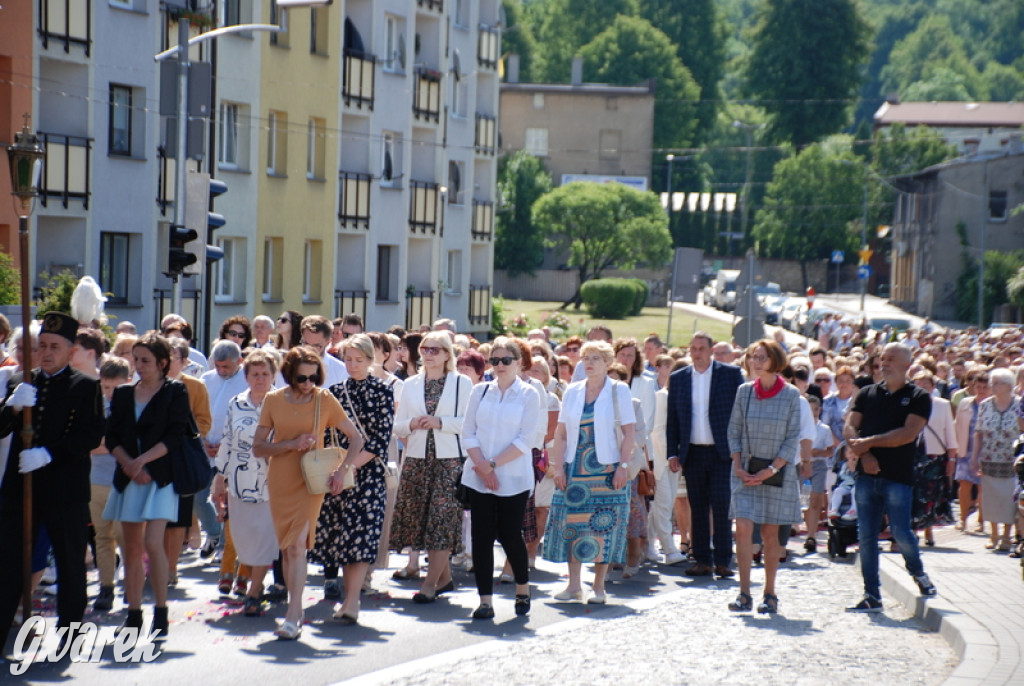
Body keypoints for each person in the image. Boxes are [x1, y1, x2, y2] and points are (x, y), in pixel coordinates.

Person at [0, 312, 105, 648]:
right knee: (10, 562)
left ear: (71, 350)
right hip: (22, 489)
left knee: (70, 562)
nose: (46, 353)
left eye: (54, 347)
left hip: (64, 490)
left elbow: (89, 435)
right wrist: (12, 408)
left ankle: (70, 636)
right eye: (41, 346)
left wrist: (49, 454)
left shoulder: (85, 387)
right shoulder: (21, 382)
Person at [253, 346, 365, 640]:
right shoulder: (273, 400)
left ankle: (293, 614)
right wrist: (291, 443)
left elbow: (356, 439)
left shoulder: (324, 399)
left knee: (297, 547)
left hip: (310, 482)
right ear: (290, 375)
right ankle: (296, 609)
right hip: (281, 479)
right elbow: (259, 447)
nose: (308, 384)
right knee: (288, 549)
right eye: (302, 378)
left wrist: (341, 470)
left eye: (313, 377)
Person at [102, 332, 190, 640]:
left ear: (163, 363)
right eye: (136, 359)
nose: (138, 365)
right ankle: (135, 613)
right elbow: (111, 436)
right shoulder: (125, 393)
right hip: (129, 477)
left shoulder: (175, 391)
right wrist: (129, 463)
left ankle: (162, 612)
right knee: (132, 548)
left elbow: (175, 435)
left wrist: (142, 463)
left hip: (159, 476)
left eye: (145, 360)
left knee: (154, 542)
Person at [844, 343, 936, 613]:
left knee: (901, 532)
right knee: (867, 536)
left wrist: (867, 443)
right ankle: (872, 594)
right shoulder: (867, 394)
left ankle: (917, 572)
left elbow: (907, 434)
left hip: (898, 476)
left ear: (907, 365)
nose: (884, 363)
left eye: (891, 359)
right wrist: (865, 455)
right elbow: (850, 426)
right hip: (866, 476)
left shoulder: (919, 396)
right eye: (882, 359)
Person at [310, 334, 394, 623]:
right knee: (341, 539)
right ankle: (348, 599)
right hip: (337, 475)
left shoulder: (382, 391)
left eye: (359, 360)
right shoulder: (333, 391)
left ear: (371, 360)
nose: (353, 364)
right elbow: (325, 434)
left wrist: (350, 467)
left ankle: (352, 600)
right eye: (348, 359)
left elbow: (379, 441)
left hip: (366, 475)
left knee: (360, 539)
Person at [543, 341, 634, 604]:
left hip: (607, 470)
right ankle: (573, 586)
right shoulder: (572, 391)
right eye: (586, 358)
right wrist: (558, 467)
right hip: (574, 468)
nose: (590, 363)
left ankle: (599, 587)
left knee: (602, 528)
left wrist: (623, 467)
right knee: (572, 526)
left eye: (596, 358)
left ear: (608, 363)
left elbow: (629, 432)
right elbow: (560, 434)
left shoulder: (619, 390)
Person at [460, 337, 540, 619]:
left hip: (514, 478)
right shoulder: (480, 391)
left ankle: (522, 587)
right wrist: (482, 467)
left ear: (519, 363)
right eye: (495, 360)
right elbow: (467, 431)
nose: (500, 365)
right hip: (478, 475)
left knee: (510, 536)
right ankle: (485, 601)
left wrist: (492, 465)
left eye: (507, 360)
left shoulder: (529, 394)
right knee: (481, 539)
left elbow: (526, 439)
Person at [390, 331, 472, 603]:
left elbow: (470, 425)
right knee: (422, 520)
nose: (428, 353)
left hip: (449, 461)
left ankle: (429, 583)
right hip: (417, 459)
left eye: (435, 349)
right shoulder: (410, 384)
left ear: (448, 354)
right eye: (425, 349)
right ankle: (445, 578)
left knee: (441, 519)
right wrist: (412, 424)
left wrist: (440, 422)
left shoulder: (462, 383)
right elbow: (398, 425)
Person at [726, 339, 803, 614]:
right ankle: (743, 592)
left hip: (777, 473)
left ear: (775, 360)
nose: (756, 362)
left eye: (762, 357)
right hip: (745, 471)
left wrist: (771, 469)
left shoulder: (792, 395)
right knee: (744, 528)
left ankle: (769, 593)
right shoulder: (744, 391)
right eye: (753, 357)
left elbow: (793, 437)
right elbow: (733, 431)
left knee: (771, 533)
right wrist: (737, 465)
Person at [665, 332, 744, 578]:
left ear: (711, 350)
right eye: (693, 348)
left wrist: (739, 450)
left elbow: (740, 415)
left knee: (721, 506)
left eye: (701, 348)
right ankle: (701, 559)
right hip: (693, 452)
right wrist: (672, 453)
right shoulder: (679, 378)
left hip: (722, 453)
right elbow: (673, 419)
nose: (696, 352)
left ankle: (723, 561)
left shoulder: (729, 375)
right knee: (697, 507)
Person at [212, 349, 281, 617]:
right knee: (243, 537)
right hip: (240, 480)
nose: (260, 378)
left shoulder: (282, 402)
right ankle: (248, 581)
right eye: (255, 374)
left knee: (264, 537)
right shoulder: (236, 403)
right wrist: (220, 476)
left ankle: (255, 590)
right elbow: (228, 440)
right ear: (246, 376)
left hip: (272, 481)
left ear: (274, 375)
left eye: (265, 373)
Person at [164, 338, 213, 587]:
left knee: (177, 518)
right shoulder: (145, 385)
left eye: (173, 357)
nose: (167, 362)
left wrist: (185, 436)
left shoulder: (194, 386)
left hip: (182, 458)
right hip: (154, 461)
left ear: (184, 362)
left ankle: (170, 568)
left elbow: (204, 421)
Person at [89, 357, 131, 611]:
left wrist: (108, 445)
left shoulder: (131, 408)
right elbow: (91, 444)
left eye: (113, 388)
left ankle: (130, 582)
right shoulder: (96, 407)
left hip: (123, 481)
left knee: (124, 536)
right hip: (97, 480)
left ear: (127, 382)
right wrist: (110, 446)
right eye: (104, 387)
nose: (108, 393)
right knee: (102, 536)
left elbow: (128, 445)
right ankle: (106, 586)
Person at [199, 340, 248, 557]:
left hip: (234, 452)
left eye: (226, 367)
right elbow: (196, 413)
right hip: (204, 449)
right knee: (196, 498)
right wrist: (201, 440)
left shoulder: (249, 380)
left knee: (227, 502)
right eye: (217, 366)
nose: (220, 371)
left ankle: (227, 549)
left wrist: (226, 444)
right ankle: (213, 532)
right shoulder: (206, 379)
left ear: (239, 361)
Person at [972, 367, 1020, 551]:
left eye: (997, 383)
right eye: (993, 382)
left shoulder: (1019, 404)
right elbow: (978, 433)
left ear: (1009, 386)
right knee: (990, 498)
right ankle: (994, 534)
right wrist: (974, 457)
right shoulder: (985, 405)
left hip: (1011, 461)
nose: (993, 386)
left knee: (1009, 498)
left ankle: (1007, 535)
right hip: (989, 458)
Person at [912, 371, 957, 546]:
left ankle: (929, 530)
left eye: (926, 385)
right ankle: (914, 530)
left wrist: (952, 459)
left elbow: (949, 433)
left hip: (935, 455)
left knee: (932, 495)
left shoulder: (942, 405)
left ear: (933, 387)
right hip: (913, 456)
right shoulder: (909, 404)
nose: (922, 388)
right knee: (914, 495)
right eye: (918, 384)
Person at [954, 369, 989, 531]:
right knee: (965, 485)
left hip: (985, 452)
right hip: (966, 449)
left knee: (983, 487)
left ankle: (981, 521)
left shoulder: (991, 405)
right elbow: (958, 425)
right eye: (978, 387)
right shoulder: (965, 403)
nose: (981, 390)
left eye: (984, 387)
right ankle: (962, 519)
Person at [298, 315, 349, 388]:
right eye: (306, 343)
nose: (309, 350)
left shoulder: (341, 371)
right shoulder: (288, 368)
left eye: (316, 346)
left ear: (328, 342)